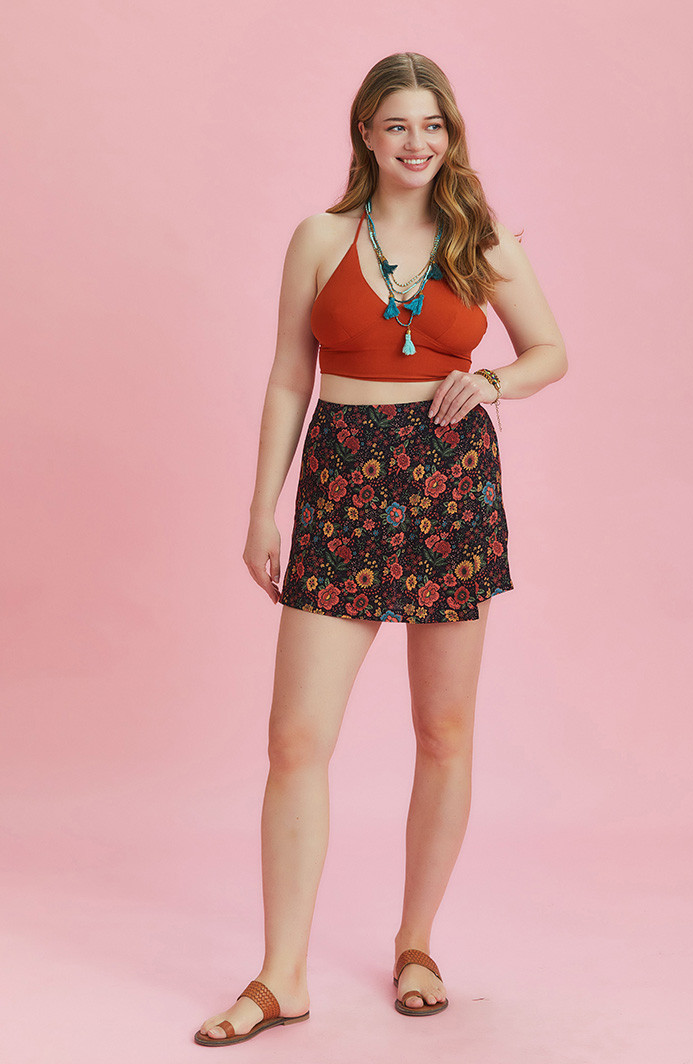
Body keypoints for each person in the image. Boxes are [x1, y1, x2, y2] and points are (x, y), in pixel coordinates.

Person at [195, 51, 567, 1047]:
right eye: (397, 123)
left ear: (451, 135)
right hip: (340, 485)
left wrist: (492, 381)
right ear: (365, 132)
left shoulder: (479, 238)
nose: (416, 142)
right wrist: (263, 509)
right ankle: (282, 975)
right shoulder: (319, 237)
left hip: (448, 484)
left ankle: (416, 943)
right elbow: (289, 376)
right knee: (294, 740)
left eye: (432, 125)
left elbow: (549, 351)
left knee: (443, 731)